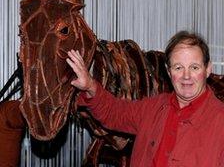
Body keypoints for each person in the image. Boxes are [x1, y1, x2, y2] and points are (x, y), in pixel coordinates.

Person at [66, 30, 224, 167]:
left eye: (194, 67)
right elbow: (114, 112)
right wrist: (89, 86)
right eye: (178, 67)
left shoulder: (220, 121)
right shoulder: (152, 108)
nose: (186, 76)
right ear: (169, 73)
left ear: (208, 69)